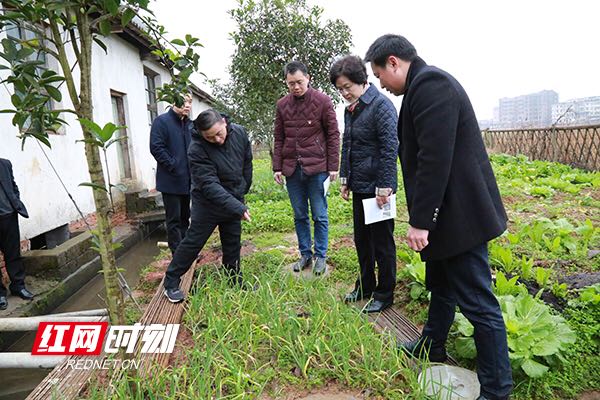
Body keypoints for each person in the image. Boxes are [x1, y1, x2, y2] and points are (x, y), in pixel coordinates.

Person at [365, 34, 512, 400]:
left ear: (394, 62)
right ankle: (432, 344)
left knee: (479, 304)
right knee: (442, 286)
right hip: (448, 213)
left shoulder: (431, 86)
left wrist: (421, 222)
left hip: (459, 216)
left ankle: (497, 389)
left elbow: (434, 159)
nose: (380, 82)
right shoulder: (422, 88)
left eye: (380, 74)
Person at [329, 55, 398, 313]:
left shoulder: (382, 106)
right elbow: (348, 144)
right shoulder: (351, 109)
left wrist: (385, 185)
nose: (344, 93)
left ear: (362, 80)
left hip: (378, 188)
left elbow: (390, 148)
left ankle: (385, 292)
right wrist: (345, 178)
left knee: (382, 243)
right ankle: (366, 284)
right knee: (362, 240)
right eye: (340, 89)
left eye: (348, 86)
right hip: (360, 184)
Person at [163, 109, 252, 303]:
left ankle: (234, 279)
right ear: (202, 135)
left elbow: (247, 161)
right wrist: (238, 207)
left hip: (233, 197)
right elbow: (209, 185)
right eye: (210, 138)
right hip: (208, 203)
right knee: (193, 243)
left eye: (219, 134)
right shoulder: (196, 149)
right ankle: (170, 282)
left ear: (224, 123)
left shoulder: (240, 133)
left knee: (232, 241)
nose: (217, 140)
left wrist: (242, 189)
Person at [272, 61, 340, 275]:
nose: (296, 87)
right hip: (292, 169)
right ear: (286, 82)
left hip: (318, 168)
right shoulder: (282, 105)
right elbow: (279, 136)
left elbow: (333, 135)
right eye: (291, 83)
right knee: (300, 214)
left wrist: (333, 166)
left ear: (308, 78)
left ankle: (321, 255)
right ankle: (305, 254)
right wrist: (277, 167)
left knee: (319, 214)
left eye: (299, 82)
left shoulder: (323, 101)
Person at [150, 93, 193, 256]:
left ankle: (185, 248)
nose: (187, 105)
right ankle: (177, 252)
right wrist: (174, 165)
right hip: (170, 180)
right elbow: (156, 147)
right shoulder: (162, 122)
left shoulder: (189, 125)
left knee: (185, 216)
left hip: (187, 180)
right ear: (174, 102)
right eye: (184, 101)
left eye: (190, 102)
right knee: (173, 219)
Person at [0, 158, 34, 310]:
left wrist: (15, 202)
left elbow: (13, 186)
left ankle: (18, 286)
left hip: (9, 216)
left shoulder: (5, 164)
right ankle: (0, 293)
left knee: (13, 254)